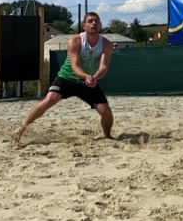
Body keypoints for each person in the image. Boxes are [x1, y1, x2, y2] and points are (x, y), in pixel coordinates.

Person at [12, 11, 115, 143]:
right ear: (84, 26)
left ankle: (107, 136)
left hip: (88, 81)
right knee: (50, 99)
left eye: (96, 21)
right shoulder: (75, 41)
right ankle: (20, 129)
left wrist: (94, 78)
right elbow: (75, 66)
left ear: (100, 25)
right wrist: (87, 76)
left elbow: (103, 67)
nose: (94, 23)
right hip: (67, 78)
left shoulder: (106, 44)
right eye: (90, 21)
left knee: (106, 112)